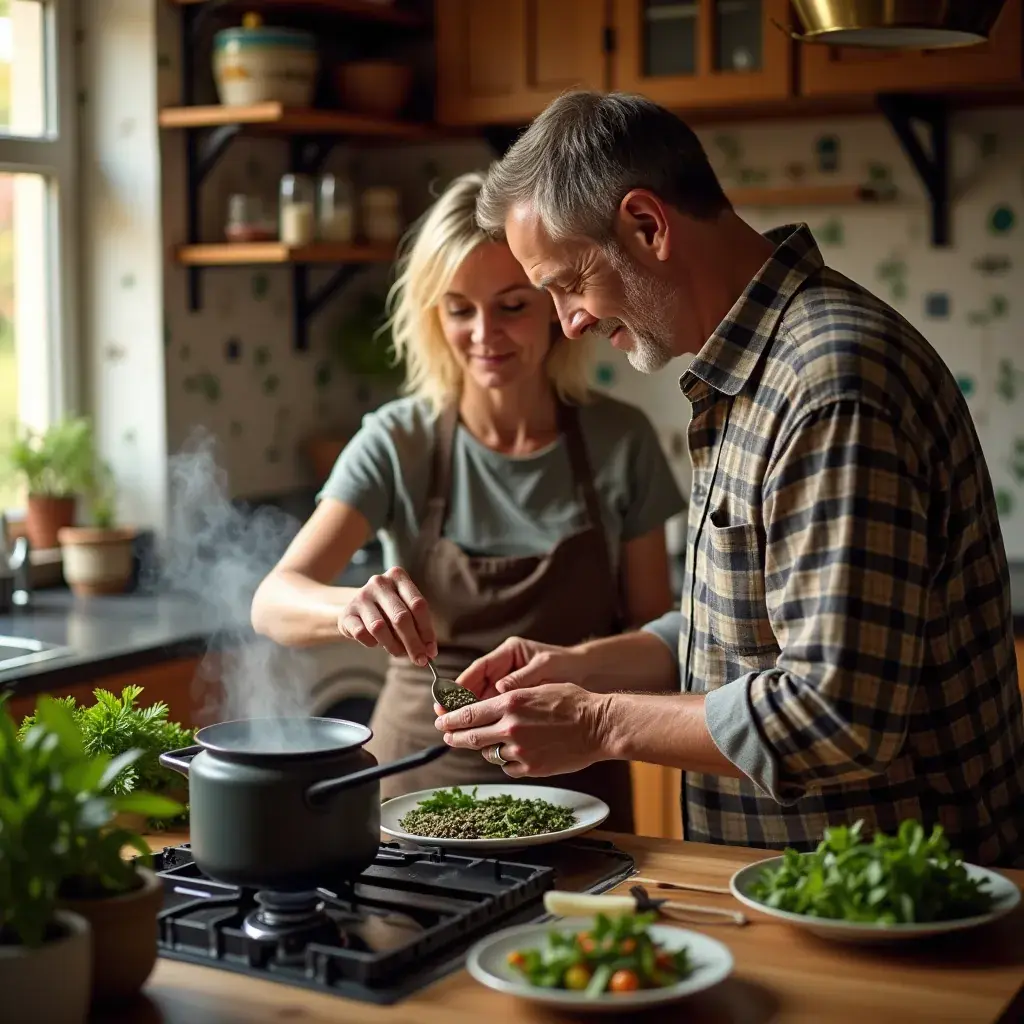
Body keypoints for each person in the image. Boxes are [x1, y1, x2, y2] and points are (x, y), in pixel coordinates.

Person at [432, 91, 1024, 867]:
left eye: (570, 282)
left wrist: (599, 722)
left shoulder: (828, 385)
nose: (568, 321)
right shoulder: (750, 372)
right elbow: (751, 638)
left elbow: (834, 714)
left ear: (648, 226)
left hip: (899, 906)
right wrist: (583, 667)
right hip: (804, 888)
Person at [251, 169, 686, 831]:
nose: (485, 334)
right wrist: (352, 606)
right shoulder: (398, 442)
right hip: (411, 796)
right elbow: (273, 601)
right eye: (459, 308)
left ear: (551, 302)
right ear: (433, 314)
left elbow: (659, 641)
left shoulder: (621, 442)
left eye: (511, 304)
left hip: (578, 801)